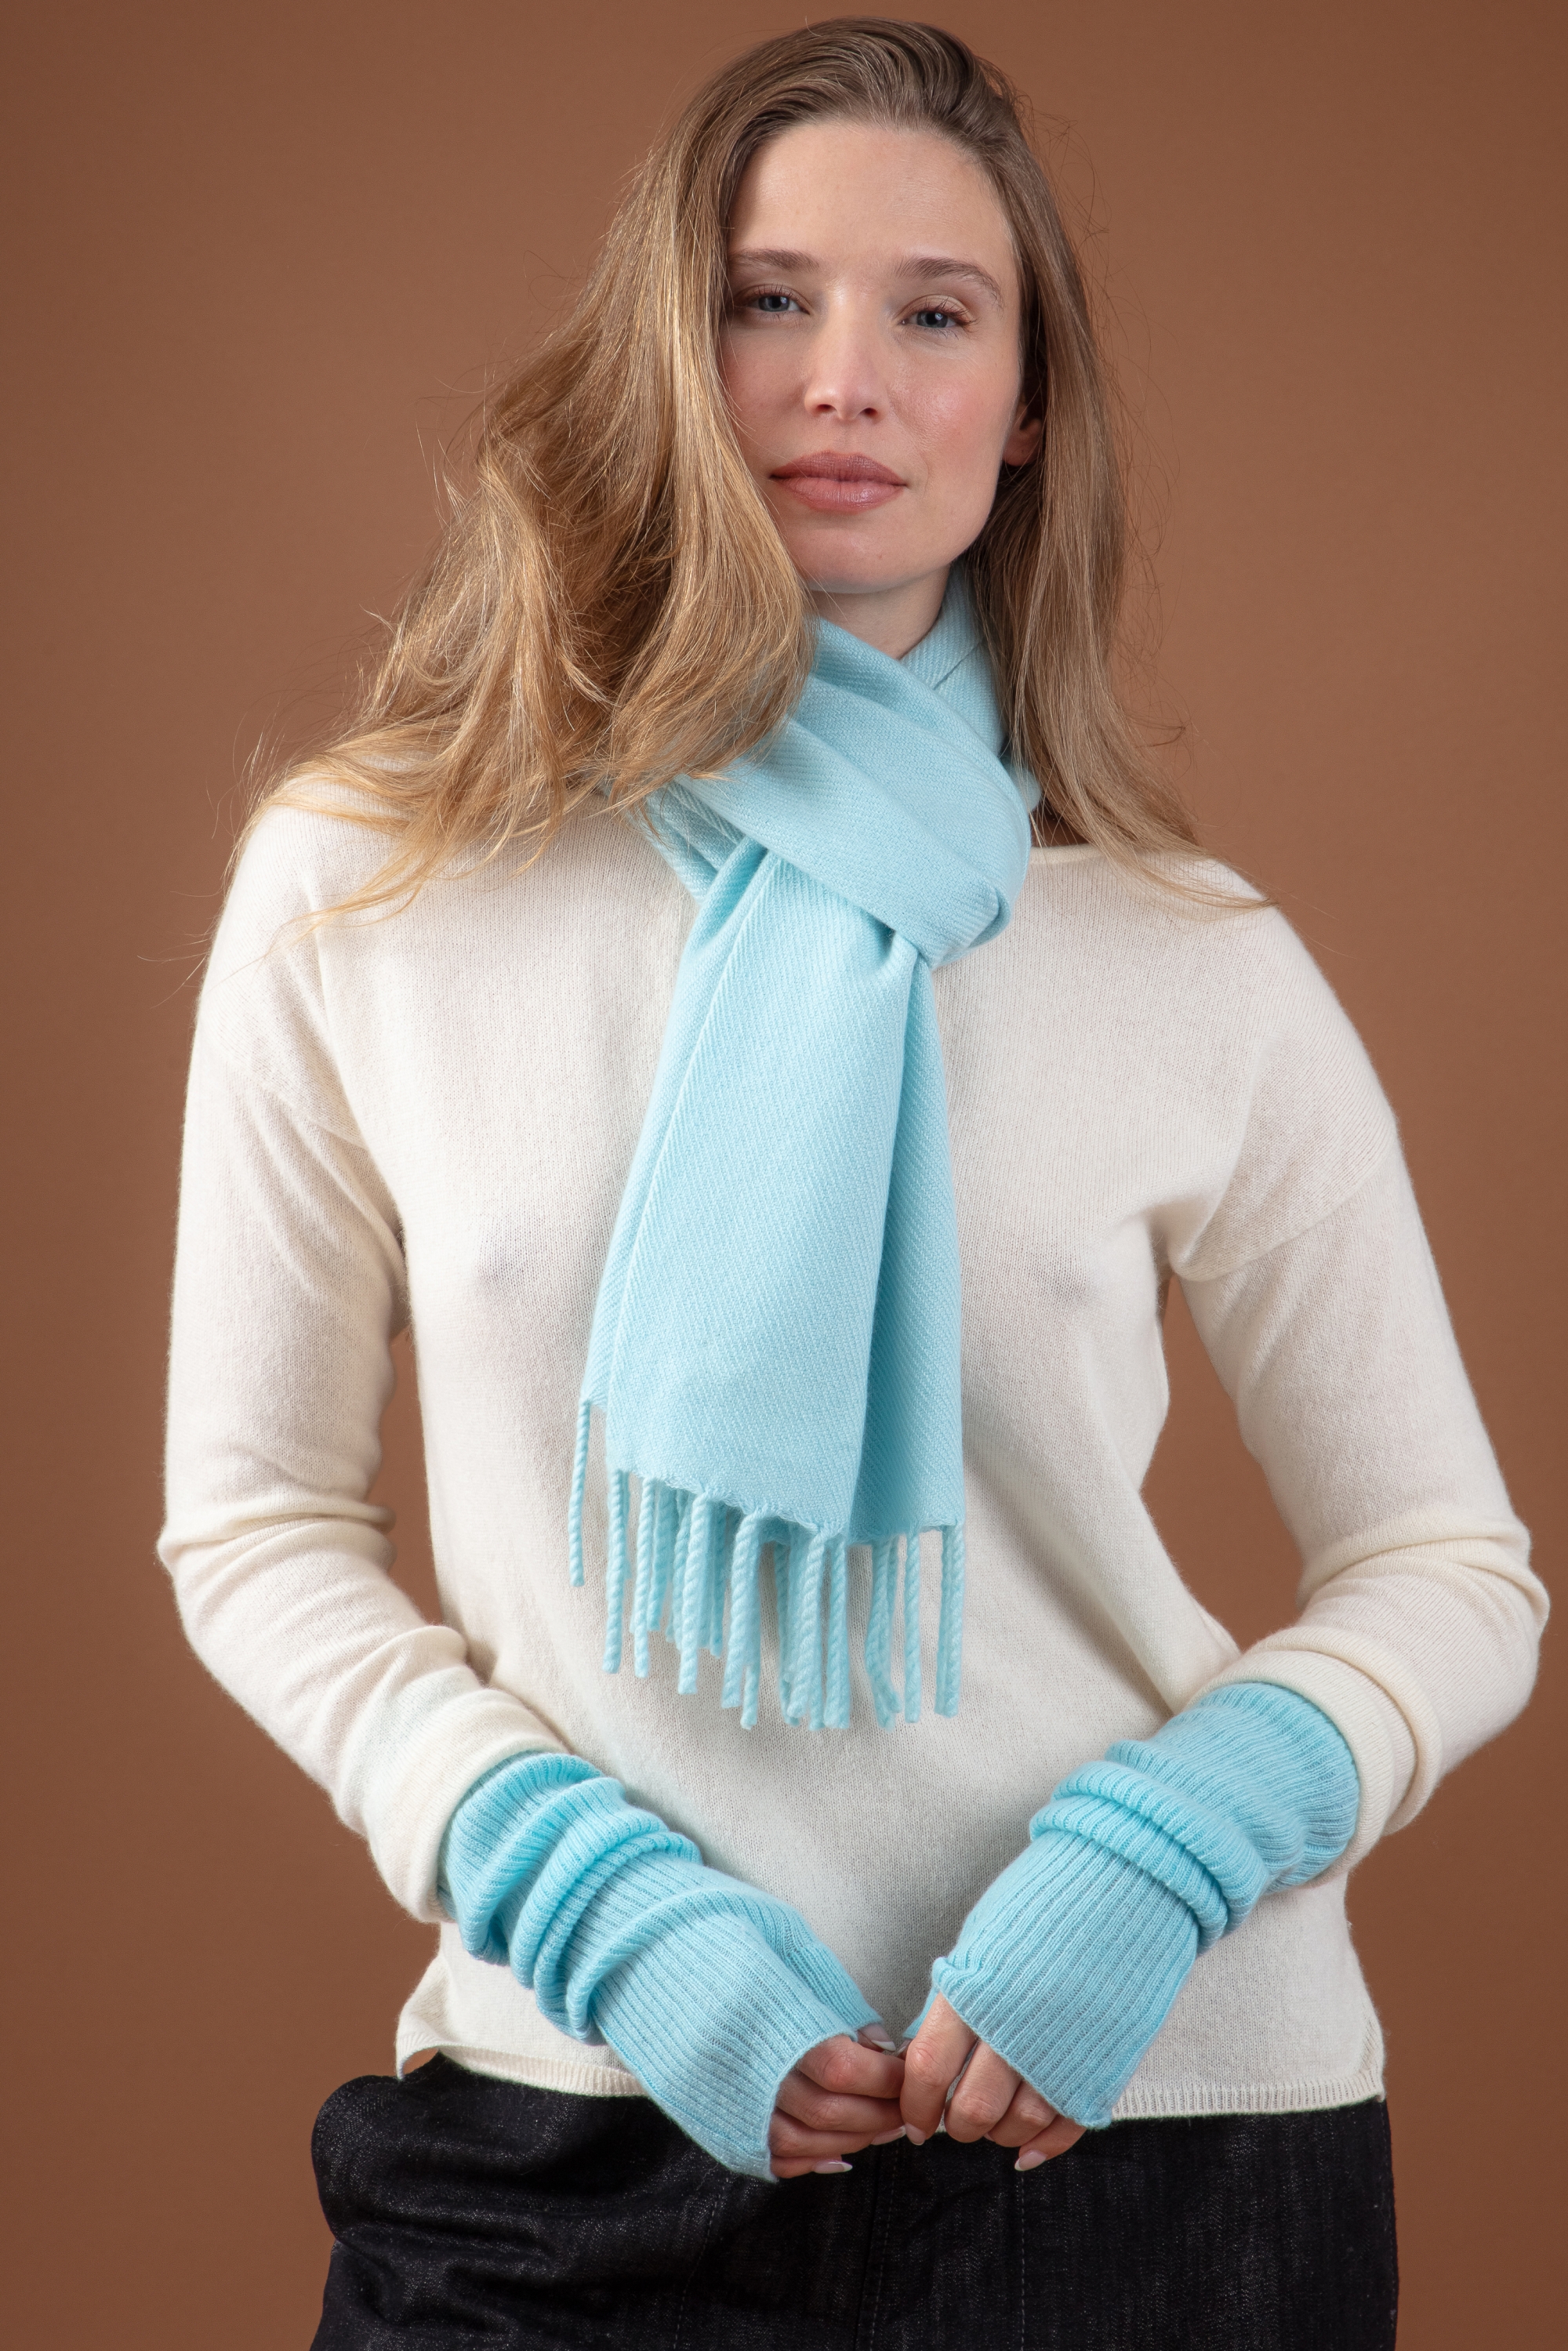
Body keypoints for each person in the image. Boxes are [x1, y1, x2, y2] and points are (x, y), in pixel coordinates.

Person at [159, 20, 1544, 2349]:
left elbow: (1454, 1569)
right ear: (666, 352)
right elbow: (256, 1521)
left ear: (1026, 412)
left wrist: (1163, 1860)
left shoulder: (1188, 959)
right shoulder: (373, 887)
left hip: (1151, 2144)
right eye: (767, 298)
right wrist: (578, 1888)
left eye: (936, 313)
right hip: (579, 2108)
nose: (846, 380)